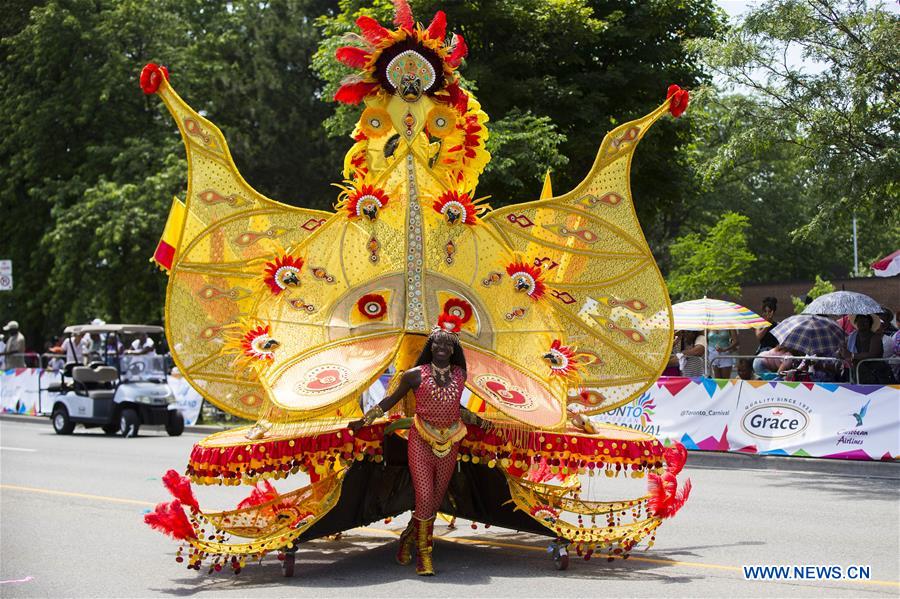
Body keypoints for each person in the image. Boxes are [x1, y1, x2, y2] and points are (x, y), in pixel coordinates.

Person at [349, 323, 486, 576]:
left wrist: (478, 420)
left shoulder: (460, 374)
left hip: (451, 440)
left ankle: (407, 538)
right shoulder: (413, 375)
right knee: (424, 497)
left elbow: (456, 407)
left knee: (433, 501)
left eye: (448, 344)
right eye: (437, 343)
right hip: (421, 440)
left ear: (454, 349)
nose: (442, 347)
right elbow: (390, 401)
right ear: (430, 346)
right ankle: (425, 555)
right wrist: (364, 420)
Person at [849, 314, 894, 384]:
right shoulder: (851, 337)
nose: (861, 322)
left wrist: (852, 355)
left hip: (877, 377)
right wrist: (840, 352)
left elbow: (872, 354)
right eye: (859, 320)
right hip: (858, 375)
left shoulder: (875, 338)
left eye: (865, 321)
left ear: (870, 323)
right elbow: (843, 352)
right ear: (856, 322)